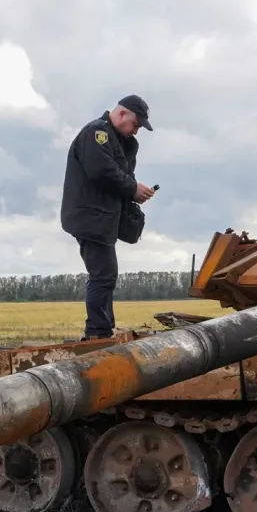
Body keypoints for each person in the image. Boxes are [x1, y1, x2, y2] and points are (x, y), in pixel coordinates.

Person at [60, 95, 156, 340]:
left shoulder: (118, 141)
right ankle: (97, 334)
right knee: (103, 274)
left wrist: (132, 193)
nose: (136, 131)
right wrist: (133, 188)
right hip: (90, 217)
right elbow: (101, 170)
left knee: (106, 274)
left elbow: (118, 174)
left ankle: (103, 329)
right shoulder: (96, 133)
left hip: (102, 218)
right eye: (135, 124)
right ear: (122, 114)